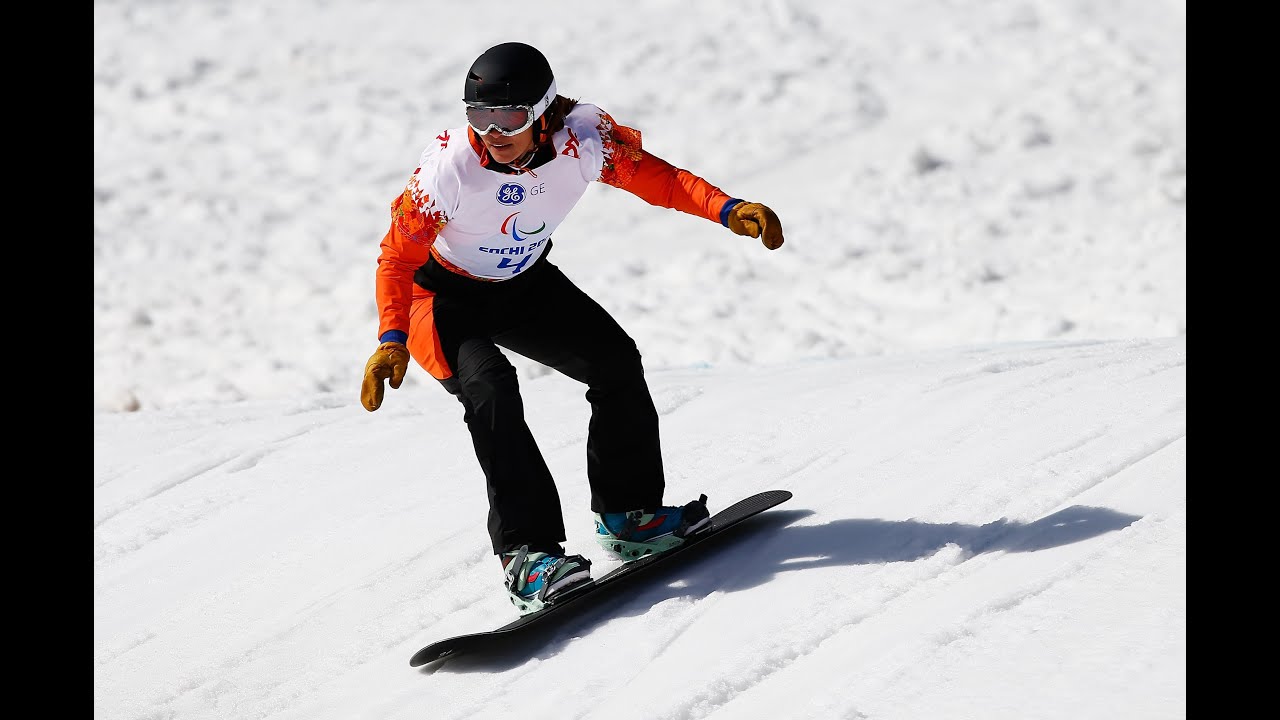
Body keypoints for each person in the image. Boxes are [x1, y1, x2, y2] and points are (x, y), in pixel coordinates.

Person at [360, 41, 785, 615]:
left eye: (507, 115)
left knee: (614, 361)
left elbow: (659, 180)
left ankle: (627, 516)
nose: (491, 130)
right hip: (439, 298)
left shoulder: (583, 142)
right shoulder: (448, 171)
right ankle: (528, 558)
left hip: (521, 283)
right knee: (491, 387)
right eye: (477, 115)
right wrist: (390, 338)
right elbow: (396, 258)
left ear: (541, 112)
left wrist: (727, 207)